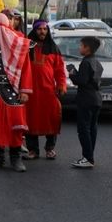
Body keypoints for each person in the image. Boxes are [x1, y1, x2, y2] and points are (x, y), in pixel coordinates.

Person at [0, 13, 33, 172]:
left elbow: (26, 69)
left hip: (13, 90)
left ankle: (15, 159)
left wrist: (25, 90)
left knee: (15, 126)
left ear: (1, 28)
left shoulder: (17, 44)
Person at [24, 20, 67, 160]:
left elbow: (60, 70)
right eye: (39, 29)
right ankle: (33, 150)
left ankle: (50, 149)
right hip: (30, 91)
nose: (42, 32)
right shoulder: (27, 47)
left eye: (45, 29)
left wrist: (61, 85)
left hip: (48, 91)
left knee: (52, 118)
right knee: (30, 120)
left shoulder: (53, 48)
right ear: (34, 31)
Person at [68, 36, 103, 168]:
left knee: (83, 130)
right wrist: (77, 73)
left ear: (87, 48)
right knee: (92, 128)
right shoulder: (96, 61)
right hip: (96, 99)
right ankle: (89, 157)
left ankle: (87, 157)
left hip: (86, 100)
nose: (79, 48)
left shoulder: (86, 62)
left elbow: (82, 81)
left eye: (81, 45)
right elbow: (91, 79)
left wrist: (71, 74)